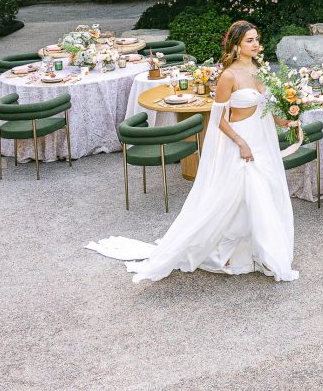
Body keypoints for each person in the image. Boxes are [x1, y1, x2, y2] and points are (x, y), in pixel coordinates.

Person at [86, 20, 300, 282]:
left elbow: (266, 107)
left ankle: (260, 251)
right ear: (236, 45)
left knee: (264, 191)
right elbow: (219, 119)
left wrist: (285, 120)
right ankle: (240, 251)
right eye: (249, 40)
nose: (256, 44)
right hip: (241, 139)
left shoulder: (259, 69)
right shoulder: (228, 76)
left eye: (256, 39)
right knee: (239, 193)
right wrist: (241, 143)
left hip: (262, 138)